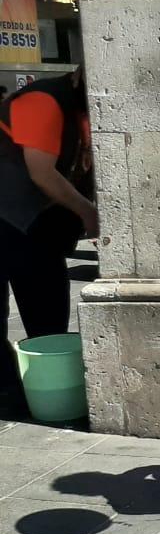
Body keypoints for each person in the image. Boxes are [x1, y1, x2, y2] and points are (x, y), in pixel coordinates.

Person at [0, 71, 97, 410]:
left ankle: (49, 387)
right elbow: (42, 172)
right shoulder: (43, 100)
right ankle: (11, 390)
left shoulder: (82, 110)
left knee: (48, 308)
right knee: (38, 300)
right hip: (10, 215)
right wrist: (88, 211)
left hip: (34, 224)